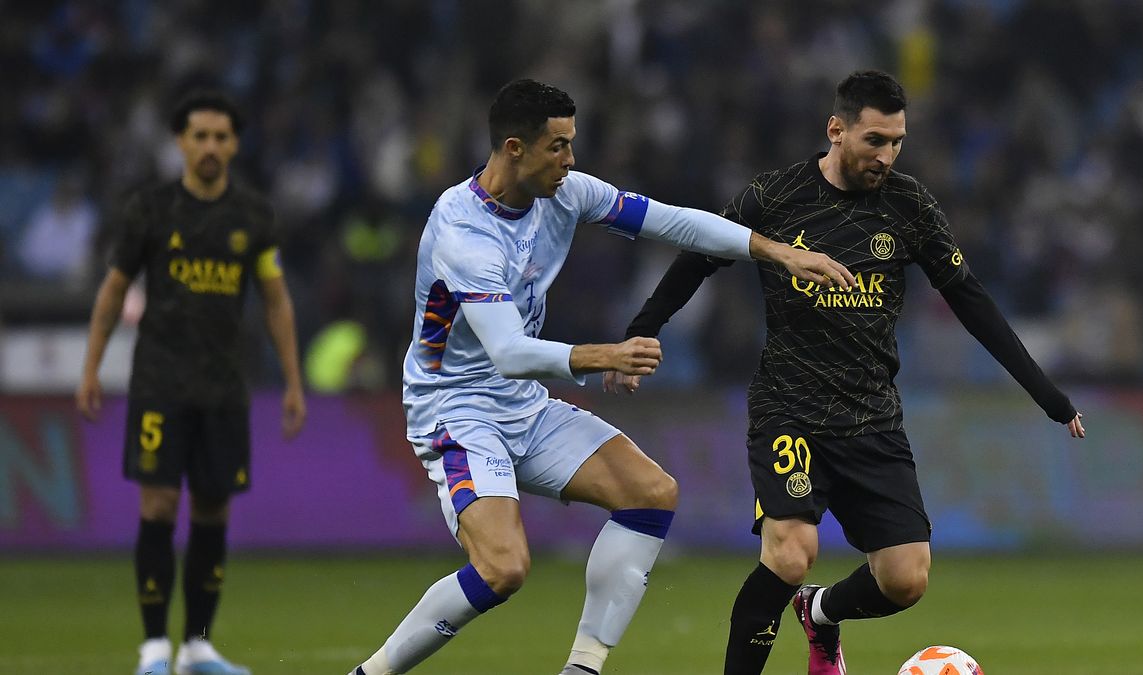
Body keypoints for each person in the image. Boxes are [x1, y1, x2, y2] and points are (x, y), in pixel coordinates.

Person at [347, 78, 853, 675]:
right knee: (502, 568)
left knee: (651, 494)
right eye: (557, 147)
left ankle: (582, 669)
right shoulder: (463, 233)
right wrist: (605, 356)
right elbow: (508, 350)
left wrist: (781, 253)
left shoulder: (567, 193)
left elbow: (675, 223)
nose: (570, 160)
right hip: (456, 411)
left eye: (571, 144)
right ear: (515, 148)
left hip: (523, 405)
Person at [608, 70, 1086, 675]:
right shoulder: (775, 196)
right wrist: (641, 327)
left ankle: (822, 614)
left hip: (872, 418)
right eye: (875, 141)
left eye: (897, 142)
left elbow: (969, 298)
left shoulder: (909, 206)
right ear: (836, 130)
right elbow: (698, 257)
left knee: (906, 578)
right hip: (789, 411)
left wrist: (1046, 394)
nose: (887, 156)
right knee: (790, 552)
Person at [76, 91, 307, 675]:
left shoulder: (253, 216)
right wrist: (90, 367)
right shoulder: (150, 209)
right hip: (160, 382)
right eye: (198, 136)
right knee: (157, 505)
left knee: (213, 511)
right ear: (180, 142)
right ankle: (154, 648)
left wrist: (293, 382)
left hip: (224, 388)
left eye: (220, 137)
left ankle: (197, 647)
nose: (210, 147)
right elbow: (112, 290)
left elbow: (276, 301)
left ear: (234, 144)